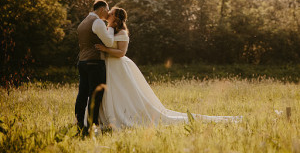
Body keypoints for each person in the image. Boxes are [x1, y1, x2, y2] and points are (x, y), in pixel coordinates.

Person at [91, 7, 241, 130]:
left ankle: (124, 116)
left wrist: (105, 49)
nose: (108, 14)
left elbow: (121, 53)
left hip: (119, 66)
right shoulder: (110, 30)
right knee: (113, 93)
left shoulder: (122, 33)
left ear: (116, 17)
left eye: (110, 13)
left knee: (124, 93)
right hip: (110, 67)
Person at [75, 0, 115, 130]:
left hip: (82, 61)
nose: (108, 13)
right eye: (108, 10)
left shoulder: (83, 22)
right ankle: (92, 124)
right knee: (95, 93)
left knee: (82, 93)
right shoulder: (97, 22)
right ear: (103, 9)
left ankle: (80, 120)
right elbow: (109, 42)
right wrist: (111, 28)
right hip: (95, 62)